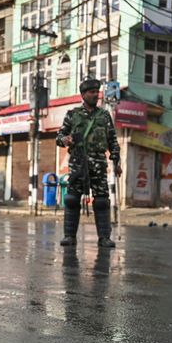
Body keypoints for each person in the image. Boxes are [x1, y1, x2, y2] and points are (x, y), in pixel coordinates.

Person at [56, 78, 122, 248]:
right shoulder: (72, 114)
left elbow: (112, 140)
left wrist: (116, 159)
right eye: (91, 92)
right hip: (78, 163)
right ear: (83, 95)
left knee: (101, 201)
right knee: (71, 199)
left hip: (99, 164)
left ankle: (104, 238)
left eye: (96, 92)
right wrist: (65, 139)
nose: (95, 95)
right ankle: (69, 236)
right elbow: (59, 137)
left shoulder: (104, 115)